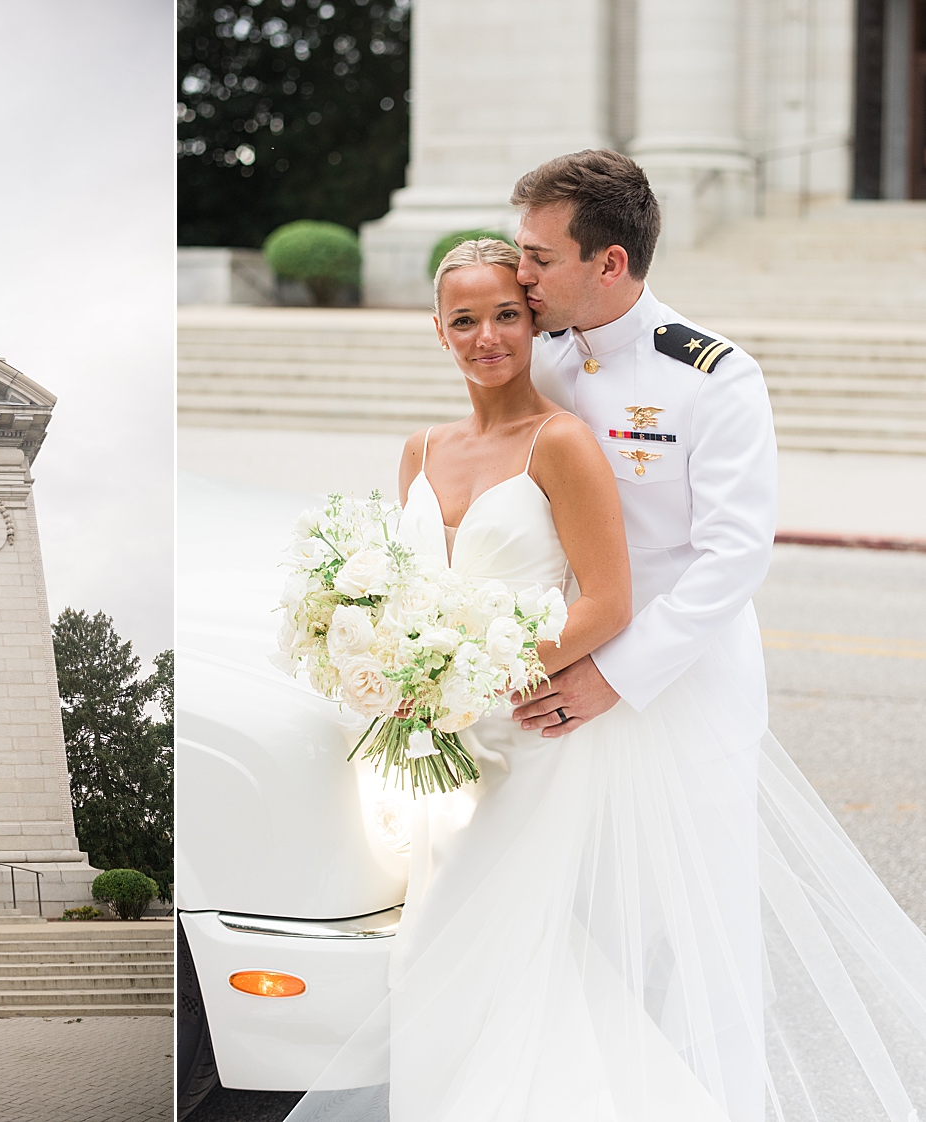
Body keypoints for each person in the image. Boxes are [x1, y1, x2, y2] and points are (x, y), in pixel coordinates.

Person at [280, 160, 926, 1120]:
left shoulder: (709, 375)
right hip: (538, 690)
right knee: (559, 928)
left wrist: (609, 675)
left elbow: (731, 559)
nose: (522, 280)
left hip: (677, 687)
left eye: (539, 259)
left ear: (608, 260)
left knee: (686, 930)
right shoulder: (535, 354)